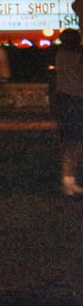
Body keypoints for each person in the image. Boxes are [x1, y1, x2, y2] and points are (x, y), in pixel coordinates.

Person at [52, 28, 83, 196]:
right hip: (75, 99)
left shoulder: (60, 56)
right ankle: (68, 181)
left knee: (70, 143)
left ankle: (69, 181)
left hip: (64, 99)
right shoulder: (76, 57)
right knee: (74, 143)